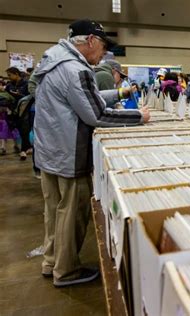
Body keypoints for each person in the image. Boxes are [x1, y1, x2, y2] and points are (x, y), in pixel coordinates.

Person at [32, 19, 150, 287]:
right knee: (72, 213)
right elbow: (95, 114)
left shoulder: (54, 61)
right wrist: (137, 117)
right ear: (91, 41)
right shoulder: (76, 70)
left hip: (49, 151)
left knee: (53, 211)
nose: (104, 53)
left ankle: (51, 261)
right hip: (68, 152)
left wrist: (119, 91)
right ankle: (67, 270)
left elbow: (85, 98)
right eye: (103, 46)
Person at [2, 67, 30, 159]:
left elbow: (30, 97)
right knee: (15, 129)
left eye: (10, 75)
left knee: (24, 130)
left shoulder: (26, 84)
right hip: (12, 110)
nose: (8, 77)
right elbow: (6, 96)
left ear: (16, 74)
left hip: (24, 110)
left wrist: (19, 95)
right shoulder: (9, 85)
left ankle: (23, 150)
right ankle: (25, 146)